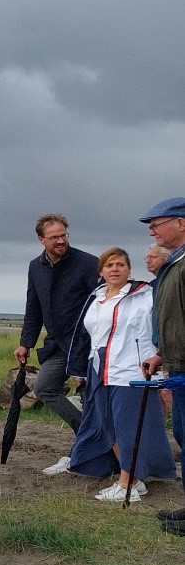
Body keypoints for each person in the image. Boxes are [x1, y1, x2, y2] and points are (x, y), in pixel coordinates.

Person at [65, 248, 172, 501]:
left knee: (128, 428)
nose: (115, 269)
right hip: (100, 369)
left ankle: (125, 485)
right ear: (101, 271)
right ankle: (134, 479)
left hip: (132, 371)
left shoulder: (145, 295)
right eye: (110, 265)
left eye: (121, 265)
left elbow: (162, 325)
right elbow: (86, 336)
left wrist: (157, 357)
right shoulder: (96, 297)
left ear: (129, 269)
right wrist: (81, 368)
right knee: (108, 426)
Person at [14, 214, 101, 475]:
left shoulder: (88, 263)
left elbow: (101, 301)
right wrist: (25, 343)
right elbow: (34, 306)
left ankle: (90, 453)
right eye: (54, 237)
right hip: (57, 345)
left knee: (91, 399)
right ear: (42, 240)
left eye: (64, 235)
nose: (61, 240)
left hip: (86, 343)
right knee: (44, 387)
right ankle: (88, 435)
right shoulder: (35, 267)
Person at [141, 200, 185, 512]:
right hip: (176, 363)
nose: (153, 231)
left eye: (157, 224)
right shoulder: (175, 262)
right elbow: (173, 318)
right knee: (182, 434)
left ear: (181, 223)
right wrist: (160, 353)